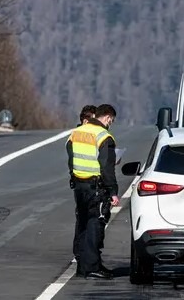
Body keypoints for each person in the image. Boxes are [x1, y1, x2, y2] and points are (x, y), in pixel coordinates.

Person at [67, 104, 120, 279]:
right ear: (107, 118)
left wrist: (74, 175)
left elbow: (71, 155)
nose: (110, 124)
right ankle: (92, 267)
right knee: (95, 225)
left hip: (79, 185)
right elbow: (106, 168)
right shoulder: (104, 136)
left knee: (82, 223)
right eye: (110, 121)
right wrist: (112, 191)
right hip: (96, 187)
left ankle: (83, 265)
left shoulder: (77, 132)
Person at [70, 104, 98, 268]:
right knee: (85, 218)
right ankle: (81, 253)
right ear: (86, 120)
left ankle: (81, 253)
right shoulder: (81, 134)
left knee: (84, 218)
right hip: (85, 182)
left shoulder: (78, 134)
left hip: (83, 181)